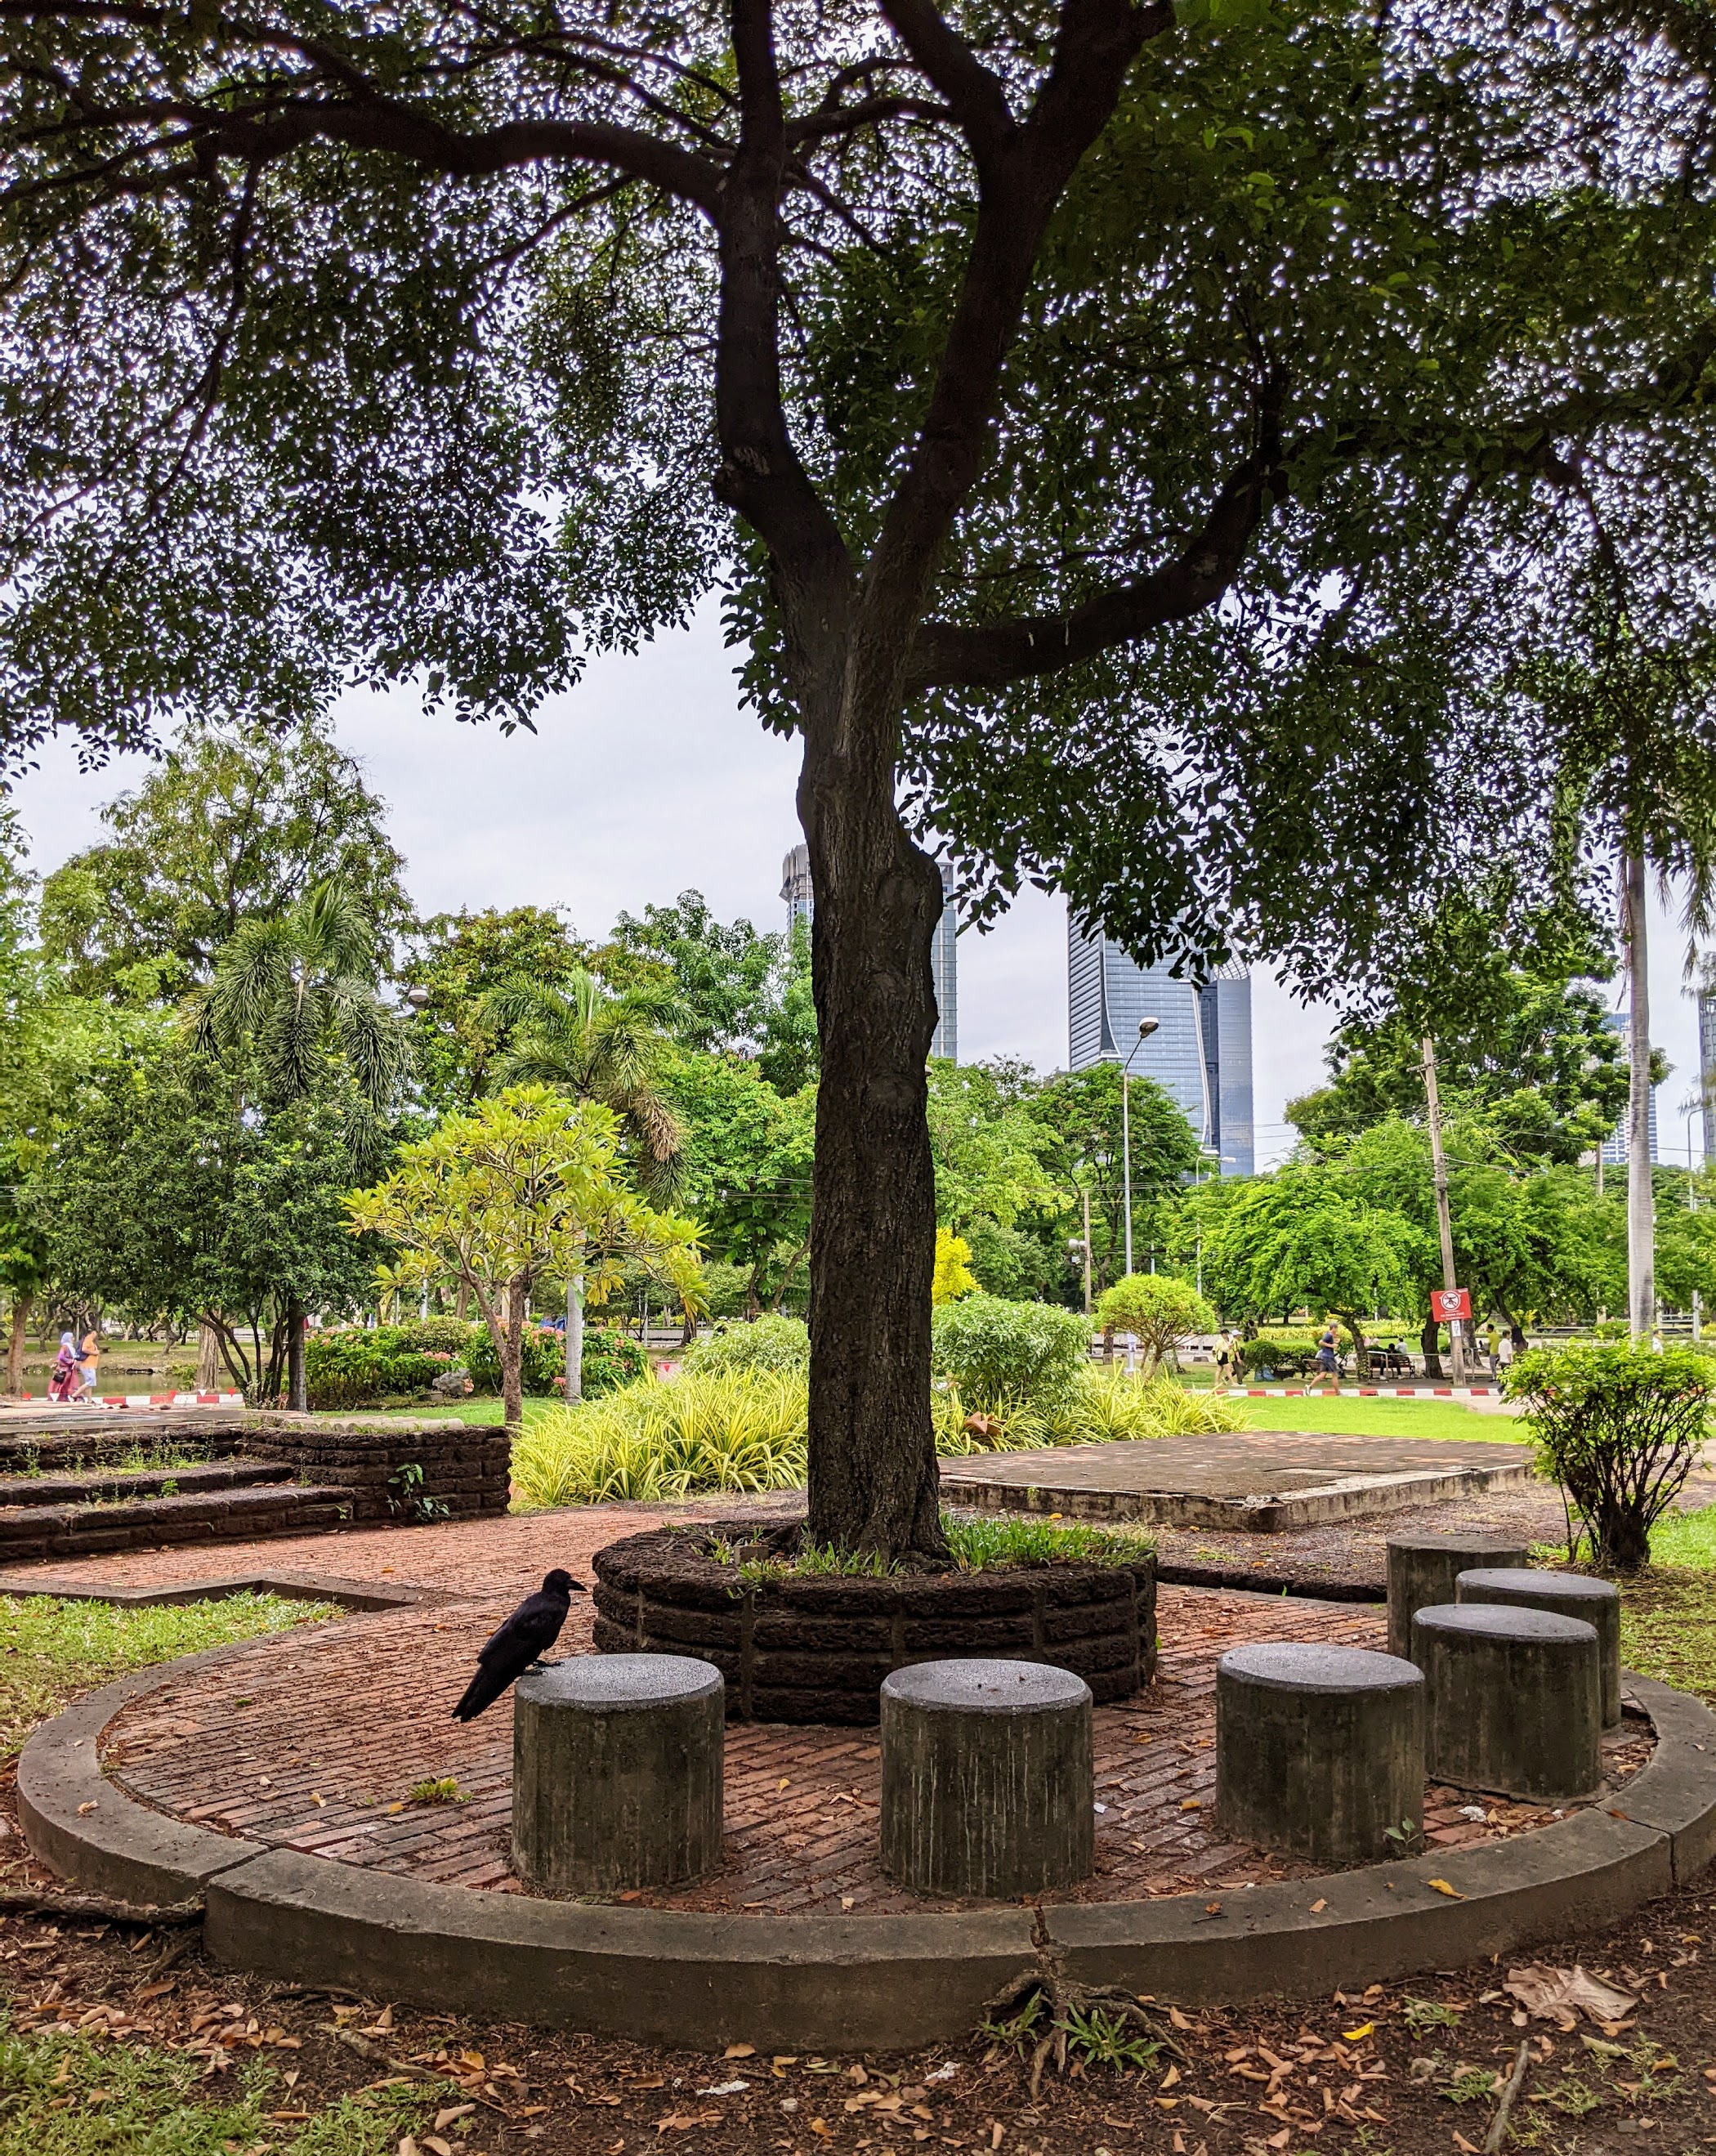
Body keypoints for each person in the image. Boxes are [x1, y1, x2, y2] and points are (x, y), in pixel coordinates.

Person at [47, 1332, 78, 1402]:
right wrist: (70, 1361)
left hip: (70, 1369)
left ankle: (66, 1397)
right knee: (62, 1384)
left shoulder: (70, 1347)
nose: (73, 1339)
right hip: (64, 1369)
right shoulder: (65, 1347)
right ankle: (59, 1397)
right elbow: (61, 1357)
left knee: (67, 1384)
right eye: (72, 1338)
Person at [76, 1326, 101, 1400]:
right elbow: (84, 1349)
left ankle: (89, 1400)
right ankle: (75, 1395)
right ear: (93, 1332)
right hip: (88, 1365)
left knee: (89, 1384)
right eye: (96, 1333)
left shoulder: (90, 1341)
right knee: (91, 1382)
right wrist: (94, 1353)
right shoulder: (88, 1339)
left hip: (90, 1365)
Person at [1315, 1320, 1339, 1390]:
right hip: (1329, 1357)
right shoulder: (1329, 1335)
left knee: (1322, 1375)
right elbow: (1321, 1342)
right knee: (1335, 1375)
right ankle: (1338, 1392)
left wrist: (1335, 1342)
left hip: (1325, 1357)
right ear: (1333, 1328)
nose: (1337, 1330)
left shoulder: (1330, 1335)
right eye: (1336, 1328)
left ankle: (1310, 1386)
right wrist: (1331, 1346)